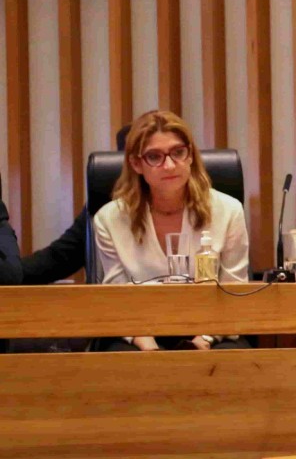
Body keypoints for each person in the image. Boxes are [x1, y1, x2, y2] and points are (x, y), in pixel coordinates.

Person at [92, 110, 250, 351]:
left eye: (178, 152)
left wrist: (204, 339)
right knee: (122, 362)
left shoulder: (228, 210)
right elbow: (118, 301)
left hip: (211, 328)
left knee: (232, 360)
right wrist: (146, 344)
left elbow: (234, 293)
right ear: (136, 164)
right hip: (139, 331)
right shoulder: (110, 219)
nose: (169, 165)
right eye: (154, 156)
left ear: (190, 156)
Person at [22, 125, 131, 284]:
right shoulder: (108, 210)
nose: (165, 165)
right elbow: (57, 260)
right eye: (153, 156)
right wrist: (7, 272)